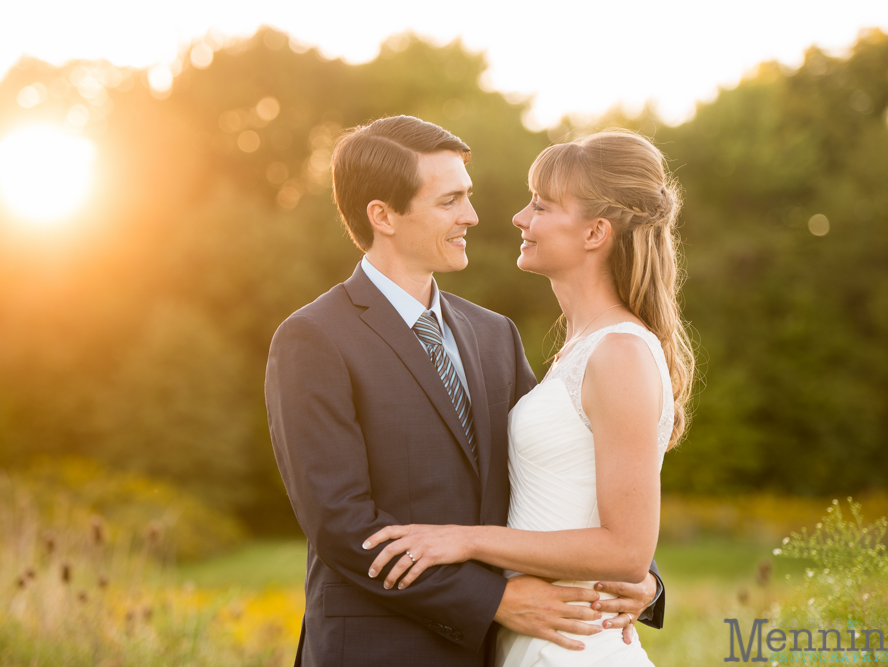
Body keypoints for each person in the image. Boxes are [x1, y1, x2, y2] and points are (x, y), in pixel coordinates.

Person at [265, 116, 665, 667]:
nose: (472, 216)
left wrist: (640, 575)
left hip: (494, 651)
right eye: (450, 201)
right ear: (382, 215)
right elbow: (340, 523)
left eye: (468, 197)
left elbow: (550, 471)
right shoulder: (314, 337)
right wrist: (496, 599)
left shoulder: (492, 333)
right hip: (377, 650)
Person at [362, 129, 694, 666]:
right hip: (533, 638)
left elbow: (628, 550)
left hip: (572, 648)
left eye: (540, 205)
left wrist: (467, 541)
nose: (519, 217)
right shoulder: (577, 350)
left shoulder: (620, 353)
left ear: (595, 233)